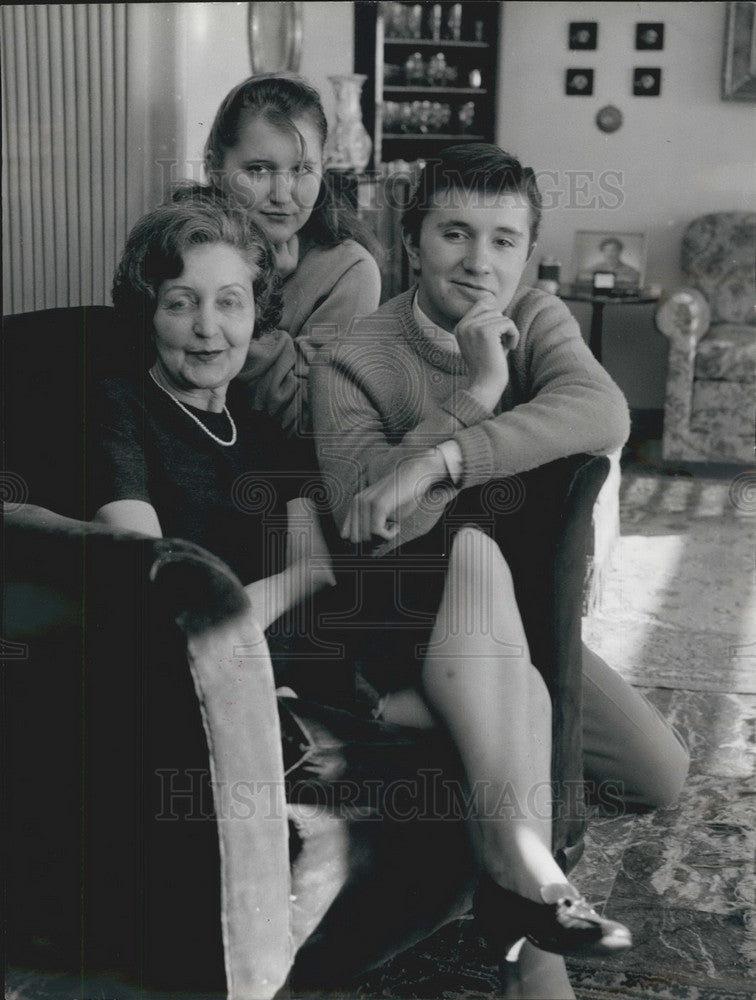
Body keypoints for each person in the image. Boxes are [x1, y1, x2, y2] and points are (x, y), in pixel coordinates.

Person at [310, 144, 689, 998]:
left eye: (504, 241)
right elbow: (365, 522)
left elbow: (602, 412)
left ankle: (432, 720)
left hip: (510, 617)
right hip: (394, 606)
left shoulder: (541, 315)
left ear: (527, 251)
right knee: (472, 547)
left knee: (659, 773)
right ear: (413, 243)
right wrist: (479, 389)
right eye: (454, 233)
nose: (480, 263)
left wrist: (439, 461)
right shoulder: (351, 358)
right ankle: (533, 935)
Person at [89, 199, 336, 684]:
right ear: (149, 312)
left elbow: (317, 569)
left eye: (229, 302)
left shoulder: (263, 419)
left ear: (255, 313)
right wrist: (249, 617)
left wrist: (247, 612)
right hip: (185, 674)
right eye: (181, 303)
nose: (207, 327)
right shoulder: (116, 409)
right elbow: (152, 573)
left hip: (288, 662)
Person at [174, 72, 382, 434]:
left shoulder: (351, 271)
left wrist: (258, 291)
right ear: (214, 167)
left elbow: (307, 417)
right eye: (258, 169)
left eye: (302, 170)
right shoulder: (180, 243)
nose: (283, 195)